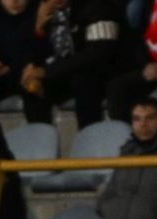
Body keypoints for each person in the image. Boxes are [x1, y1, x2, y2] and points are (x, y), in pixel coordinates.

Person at [24, 0, 127, 128]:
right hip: (64, 73)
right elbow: (32, 57)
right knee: (31, 88)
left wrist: (47, 71)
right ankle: (39, 143)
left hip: (104, 72)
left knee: (85, 82)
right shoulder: (43, 11)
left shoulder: (99, 6)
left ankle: (89, 140)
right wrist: (39, 29)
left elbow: (98, 54)